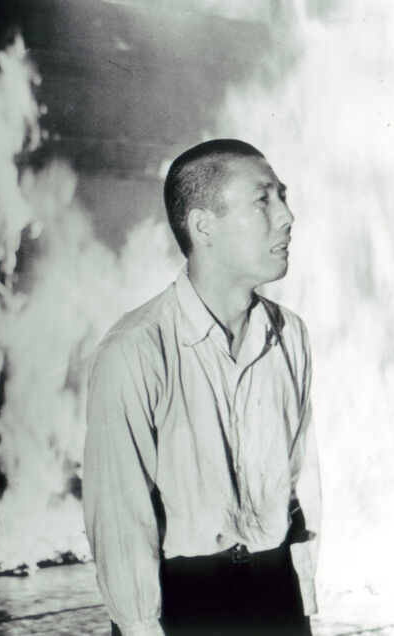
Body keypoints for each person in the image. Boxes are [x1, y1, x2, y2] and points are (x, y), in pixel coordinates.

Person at [82, 139, 320, 636]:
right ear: (203, 226)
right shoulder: (135, 350)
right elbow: (120, 517)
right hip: (185, 603)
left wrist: (302, 599)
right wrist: (141, 626)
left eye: (283, 196)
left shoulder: (289, 334)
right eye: (264, 199)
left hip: (275, 591)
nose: (287, 216)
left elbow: (300, 479)